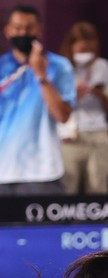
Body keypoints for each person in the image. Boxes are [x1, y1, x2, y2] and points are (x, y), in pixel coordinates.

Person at [0, 3, 74, 195]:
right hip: (3, 170)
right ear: (7, 30)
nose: (23, 32)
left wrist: (40, 73)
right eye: (17, 27)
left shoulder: (59, 66)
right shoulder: (1, 68)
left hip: (43, 172)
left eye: (29, 27)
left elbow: (63, 115)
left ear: (39, 30)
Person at [57, 21, 108, 195]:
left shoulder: (103, 67)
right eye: (81, 49)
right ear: (71, 46)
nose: (85, 54)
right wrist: (74, 96)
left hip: (98, 137)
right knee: (66, 194)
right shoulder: (60, 68)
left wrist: (99, 93)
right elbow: (53, 109)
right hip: (69, 138)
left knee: (99, 193)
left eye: (89, 50)